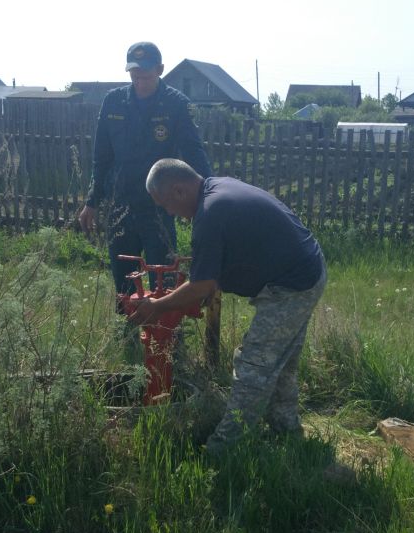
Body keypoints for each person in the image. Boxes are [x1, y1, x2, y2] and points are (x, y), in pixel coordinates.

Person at [129, 159, 327, 454]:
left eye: (166, 204)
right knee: (281, 362)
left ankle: (224, 449)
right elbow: (229, 255)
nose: (170, 213)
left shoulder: (210, 214)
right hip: (307, 268)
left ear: (179, 190)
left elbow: (201, 287)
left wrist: (156, 306)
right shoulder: (218, 189)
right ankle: (287, 432)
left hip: (292, 284)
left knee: (254, 365)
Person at [78, 42, 211, 297]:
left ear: (160, 69)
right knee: (125, 282)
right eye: (134, 75)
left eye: (146, 75)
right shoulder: (113, 102)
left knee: (164, 279)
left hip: (159, 208)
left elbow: (194, 153)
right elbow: (101, 157)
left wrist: (209, 197)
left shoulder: (176, 104)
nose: (139, 81)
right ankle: (126, 332)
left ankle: (167, 333)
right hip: (121, 206)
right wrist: (92, 201)